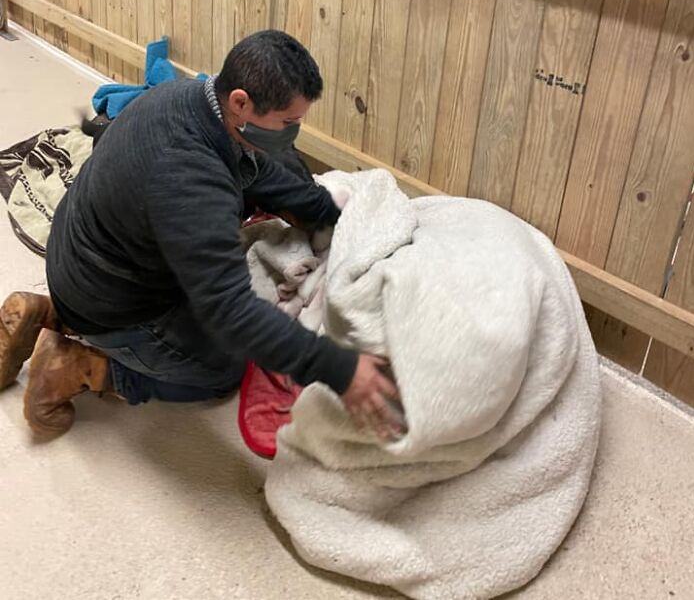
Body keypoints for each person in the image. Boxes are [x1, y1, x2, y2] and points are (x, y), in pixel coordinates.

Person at [0, 31, 401, 440]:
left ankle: (50, 313)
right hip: (109, 300)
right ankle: (75, 366)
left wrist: (323, 208)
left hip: (77, 254)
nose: (293, 132)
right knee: (221, 370)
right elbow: (229, 311)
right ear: (241, 101)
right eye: (288, 122)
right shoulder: (192, 179)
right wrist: (340, 368)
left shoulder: (189, 97)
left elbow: (256, 168)